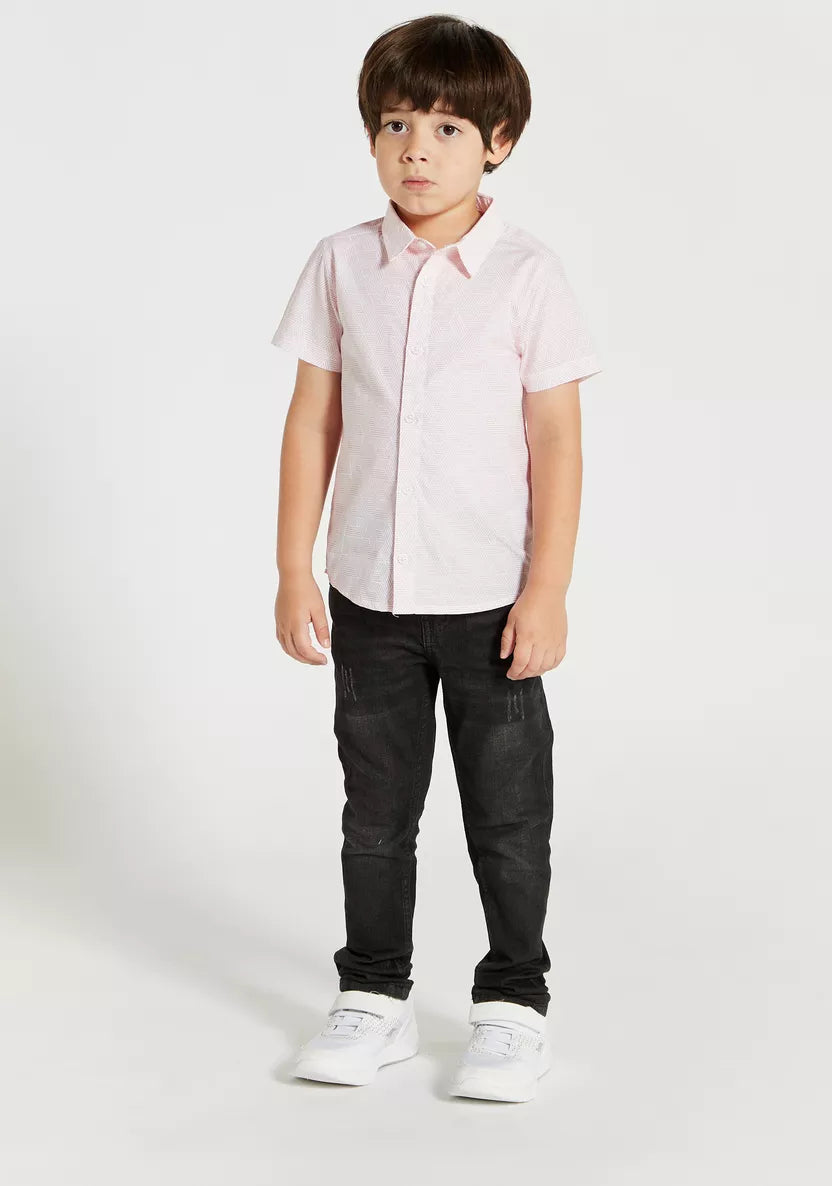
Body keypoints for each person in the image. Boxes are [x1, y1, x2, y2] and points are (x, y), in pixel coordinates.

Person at [270, 14, 602, 1104]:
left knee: (507, 819)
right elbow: (313, 417)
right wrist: (293, 565)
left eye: (448, 127)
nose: (416, 148)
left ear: (498, 142)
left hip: (489, 603)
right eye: (396, 123)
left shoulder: (526, 275)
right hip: (368, 596)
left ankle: (513, 1005)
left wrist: (547, 587)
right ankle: (374, 994)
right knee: (375, 815)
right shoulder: (341, 264)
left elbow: (555, 437)